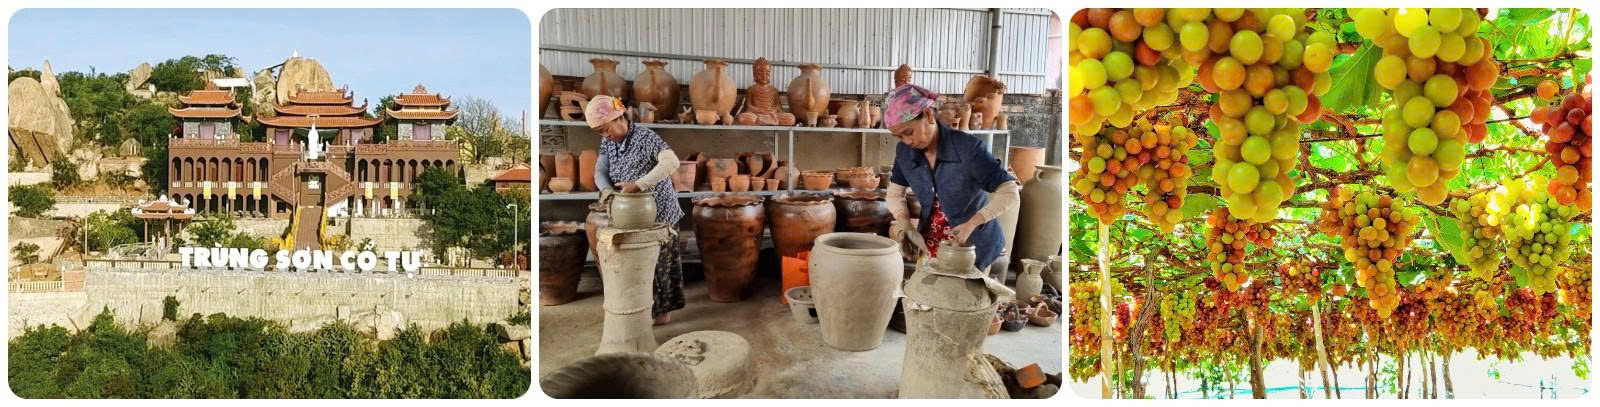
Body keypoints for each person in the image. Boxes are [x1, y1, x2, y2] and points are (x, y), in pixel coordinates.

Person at [882, 84, 1020, 271]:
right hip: (931, 242)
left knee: (966, 289)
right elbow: (894, 193)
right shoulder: (905, 152)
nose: (906, 141)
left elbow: (1010, 192)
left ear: (928, 115)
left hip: (972, 246)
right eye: (899, 137)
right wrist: (904, 222)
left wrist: (971, 224)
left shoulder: (967, 148)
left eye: (908, 132)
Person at [584, 95, 685, 325]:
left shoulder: (645, 136)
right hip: (629, 212)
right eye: (599, 132)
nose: (604, 135)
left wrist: (639, 185)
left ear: (619, 117)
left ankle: (660, 314)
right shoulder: (609, 143)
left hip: (659, 211)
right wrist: (607, 190)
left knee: (659, 265)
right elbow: (599, 171)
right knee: (638, 265)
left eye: (605, 129)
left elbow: (672, 162)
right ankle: (642, 311)